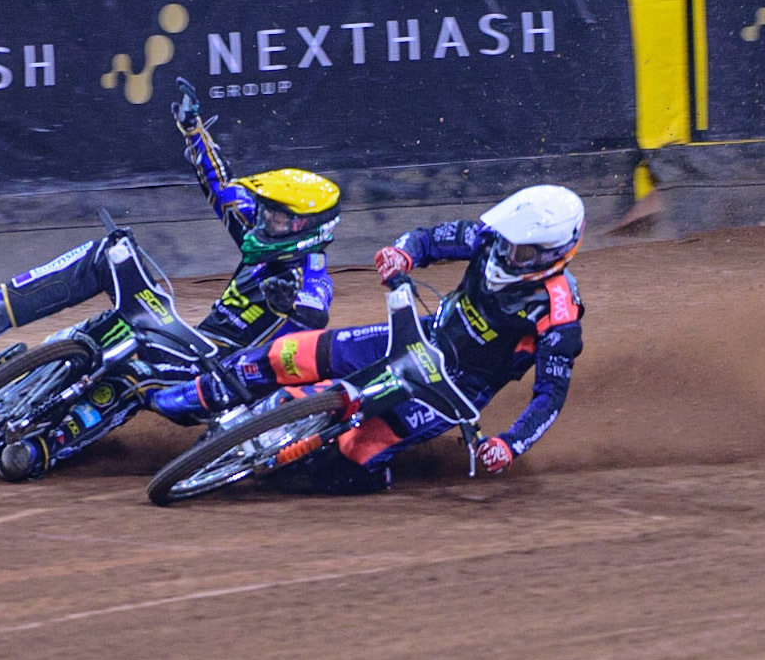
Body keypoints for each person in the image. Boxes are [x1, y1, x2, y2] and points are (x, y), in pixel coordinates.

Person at [0, 77, 342, 480]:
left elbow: (312, 319)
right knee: (112, 259)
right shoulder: (263, 236)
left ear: (309, 230)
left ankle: (39, 452)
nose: (264, 222)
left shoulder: (312, 279)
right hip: (185, 340)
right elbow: (221, 187)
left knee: (134, 374)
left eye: (278, 219)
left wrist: (289, 306)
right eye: (266, 213)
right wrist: (193, 129)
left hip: (220, 377)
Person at [151, 184, 585, 493]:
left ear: (553, 254)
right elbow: (427, 240)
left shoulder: (559, 314)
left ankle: (375, 472)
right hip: (420, 335)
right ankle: (189, 396)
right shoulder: (489, 239)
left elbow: (550, 396)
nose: (508, 254)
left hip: (452, 390)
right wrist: (401, 254)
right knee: (289, 354)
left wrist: (511, 444)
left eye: (522, 251)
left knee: (349, 457)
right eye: (508, 243)